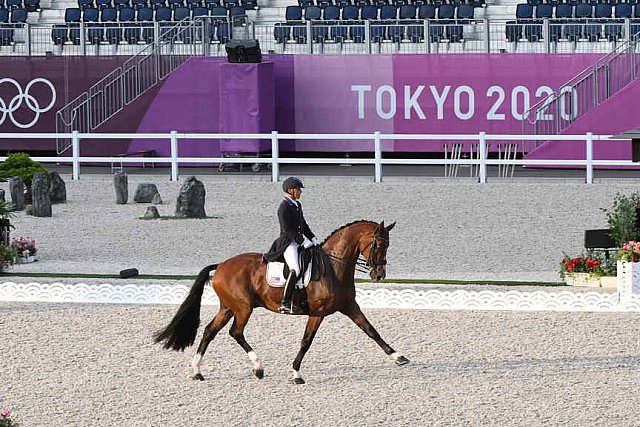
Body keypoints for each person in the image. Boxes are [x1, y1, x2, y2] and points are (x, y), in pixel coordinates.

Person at [264, 176, 320, 314]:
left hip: (298, 242)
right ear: (291, 190)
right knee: (295, 268)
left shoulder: (297, 205)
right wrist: (302, 241)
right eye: (298, 190)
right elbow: (287, 229)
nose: (300, 192)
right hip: (288, 243)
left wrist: (313, 238)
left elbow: (304, 225)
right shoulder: (283, 207)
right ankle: (285, 302)